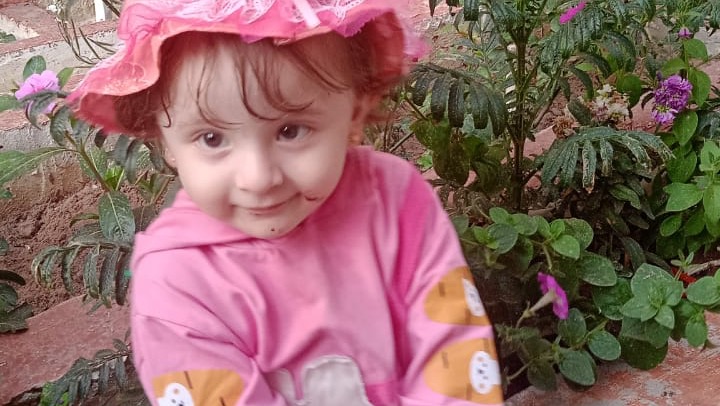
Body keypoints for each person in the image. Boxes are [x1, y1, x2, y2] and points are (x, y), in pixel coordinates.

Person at [69, 0, 504, 404]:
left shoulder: (396, 201)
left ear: (355, 110)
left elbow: (454, 352)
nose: (258, 178)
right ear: (164, 138)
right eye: (212, 138)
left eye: (291, 130)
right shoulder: (178, 281)